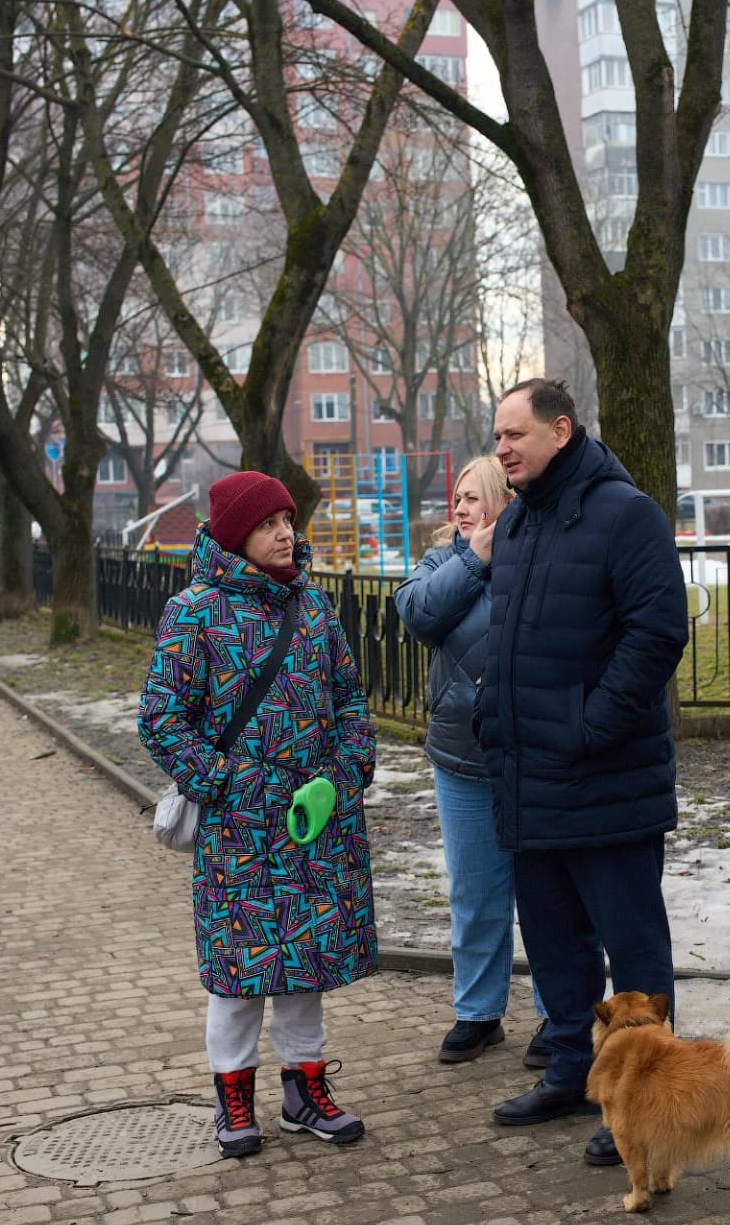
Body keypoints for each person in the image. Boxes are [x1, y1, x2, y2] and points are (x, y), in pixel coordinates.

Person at [475, 378, 689, 1168]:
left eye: (512, 434)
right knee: (557, 944)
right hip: (529, 779)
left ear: (560, 430)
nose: (501, 449)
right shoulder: (521, 523)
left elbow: (658, 630)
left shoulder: (625, 513)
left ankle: (641, 1097)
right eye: (496, 436)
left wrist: (591, 725)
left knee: (633, 952)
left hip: (604, 778)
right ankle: (572, 1068)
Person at [139, 470, 377, 1159]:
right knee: (239, 975)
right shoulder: (193, 613)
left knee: (306, 966)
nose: (285, 533)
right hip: (238, 834)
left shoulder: (316, 608)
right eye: (270, 522)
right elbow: (161, 719)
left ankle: (305, 1091)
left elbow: (350, 703)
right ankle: (233, 1101)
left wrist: (341, 777)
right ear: (236, 532)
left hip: (312, 827)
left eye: (288, 520)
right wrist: (225, 782)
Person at [394, 456, 549, 1066]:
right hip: (460, 756)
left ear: (504, 503)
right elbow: (418, 615)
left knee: (544, 892)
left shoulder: (538, 555)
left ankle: (556, 1014)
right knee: (475, 893)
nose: (459, 508)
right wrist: (474, 557)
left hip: (532, 754)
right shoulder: (443, 562)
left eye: (474, 497)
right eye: (456, 497)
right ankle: (478, 1013)